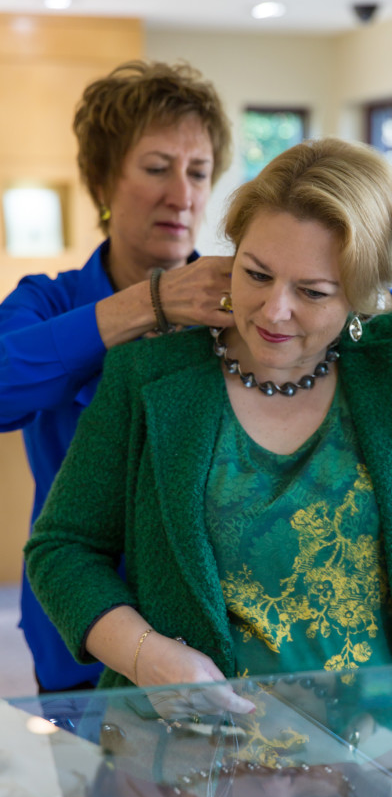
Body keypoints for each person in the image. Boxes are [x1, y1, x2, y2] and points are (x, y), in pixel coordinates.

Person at [24, 137, 392, 725]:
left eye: (313, 292)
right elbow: (63, 549)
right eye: (256, 274)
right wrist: (146, 657)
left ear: (362, 296)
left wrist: (386, 195)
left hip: (388, 751)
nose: (273, 311)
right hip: (198, 756)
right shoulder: (149, 375)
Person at [0, 60, 237, 694]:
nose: (182, 195)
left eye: (199, 172)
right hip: (79, 640)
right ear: (103, 179)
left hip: (218, 639)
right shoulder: (48, 303)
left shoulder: (241, 301)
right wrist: (148, 305)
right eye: (157, 168)